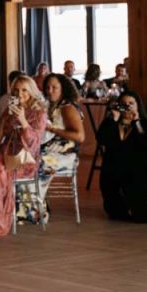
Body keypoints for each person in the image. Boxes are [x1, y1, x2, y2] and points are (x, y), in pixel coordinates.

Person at [0, 74, 47, 236]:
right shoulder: (9, 111)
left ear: (32, 92)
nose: (20, 94)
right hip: (7, 152)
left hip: (25, 158)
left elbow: (33, 143)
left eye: (24, 91)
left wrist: (23, 121)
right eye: (16, 90)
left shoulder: (39, 113)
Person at [97, 91, 147, 223]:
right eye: (123, 104)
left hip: (136, 170)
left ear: (137, 105)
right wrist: (113, 120)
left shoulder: (145, 124)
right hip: (113, 169)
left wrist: (136, 122)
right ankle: (121, 207)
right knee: (116, 214)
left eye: (131, 103)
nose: (127, 106)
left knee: (144, 217)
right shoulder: (112, 122)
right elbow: (101, 139)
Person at [34, 73, 85, 221]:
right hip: (52, 152)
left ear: (63, 89)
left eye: (55, 87)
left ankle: (35, 209)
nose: (50, 90)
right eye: (48, 87)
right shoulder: (53, 106)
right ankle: (36, 204)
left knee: (35, 163)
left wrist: (52, 129)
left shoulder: (67, 107)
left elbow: (80, 137)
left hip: (65, 156)